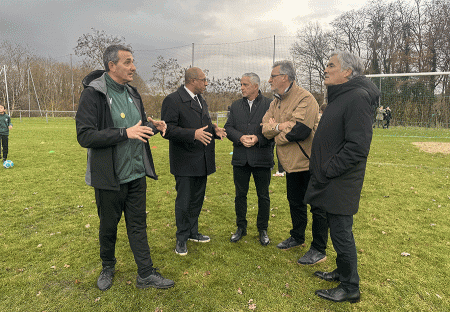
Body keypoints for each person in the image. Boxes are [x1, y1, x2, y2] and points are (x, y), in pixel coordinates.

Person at [76, 44, 174, 291]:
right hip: (110, 177)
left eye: (133, 61)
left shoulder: (133, 92)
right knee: (108, 226)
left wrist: (154, 127)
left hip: (136, 173)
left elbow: (136, 129)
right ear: (112, 66)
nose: (133, 67)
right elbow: (85, 136)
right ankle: (108, 266)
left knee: (138, 225)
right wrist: (124, 132)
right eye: (128, 62)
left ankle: (145, 273)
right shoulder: (93, 94)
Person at [305, 51, 380, 303]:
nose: (325, 69)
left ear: (347, 72)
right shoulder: (341, 96)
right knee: (338, 231)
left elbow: (358, 146)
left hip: (340, 180)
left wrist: (329, 169)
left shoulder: (357, 98)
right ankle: (342, 272)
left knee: (341, 232)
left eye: (331, 65)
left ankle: (350, 287)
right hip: (331, 179)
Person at [261, 60, 328, 265]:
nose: (270, 80)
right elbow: (264, 128)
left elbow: (300, 131)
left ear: (285, 77)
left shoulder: (305, 98)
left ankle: (318, 249)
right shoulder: (275, 101)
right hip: (290, 164)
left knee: (317, 207)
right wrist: (282, 127)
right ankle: (297, 237)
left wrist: (276, 132)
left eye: (273, 76)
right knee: (295, 202)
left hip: (310, 163)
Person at [161, 67, 226, 256]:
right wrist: (192, 135)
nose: (206, 83)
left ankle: (192, 232)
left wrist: (215, 132)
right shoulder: (173, 100)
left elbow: (204, 127)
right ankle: (181, 238)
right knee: (184, 200)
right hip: (185, 161)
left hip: (203, 160)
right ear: (192, 81)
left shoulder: (201, 100)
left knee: (197, 199)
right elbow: (167, 130)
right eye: (203, 80)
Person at [224, 73, 274, 246]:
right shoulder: (236, 105)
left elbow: (273, 130)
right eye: (241, 84)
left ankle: (263, 229)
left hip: (262, 158)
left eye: (245, 84)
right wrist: (240, 137)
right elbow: (228, 127)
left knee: (263, 196)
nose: (242, 87)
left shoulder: (270, 104)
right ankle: (241, 227)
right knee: (240, 195)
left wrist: (258, 138)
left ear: (255, 86)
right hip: (240, 159)